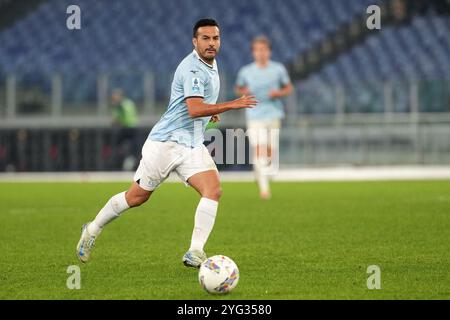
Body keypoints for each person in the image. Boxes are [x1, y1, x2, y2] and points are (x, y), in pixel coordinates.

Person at [76, 18, 258, 268]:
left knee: (213, 190)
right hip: (165, 143)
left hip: (191, 144)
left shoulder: (210, 64)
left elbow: (197, 105)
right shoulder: (192, 68)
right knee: (137, 197)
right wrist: (231, 105)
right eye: (205, 38)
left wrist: (211, 111)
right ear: (195, 42)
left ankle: (195, 251)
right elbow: (194, 109)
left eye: (215, 38)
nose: (211, 43)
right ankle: (92, 229)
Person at [235, 36, 293, 199]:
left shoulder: (278, 69)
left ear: (269, 52)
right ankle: (264, 189)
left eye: (264, 50)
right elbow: (238, 88)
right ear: (253, 53)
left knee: (270, 153)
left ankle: (260, 171)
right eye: (257, 50)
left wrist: (278, 93)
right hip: (254, 115)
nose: (261, 53)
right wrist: (244, 93)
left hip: (273, 114)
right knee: (259, 149)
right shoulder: (246, 71)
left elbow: (288, 87)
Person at [110, 89, 138, 170]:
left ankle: (128, 160)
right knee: (119, 146)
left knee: (132, 147)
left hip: (129, 128)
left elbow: (118, 117)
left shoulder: (123, 104)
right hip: (128, 127)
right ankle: (122, 158)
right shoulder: (125, 103)